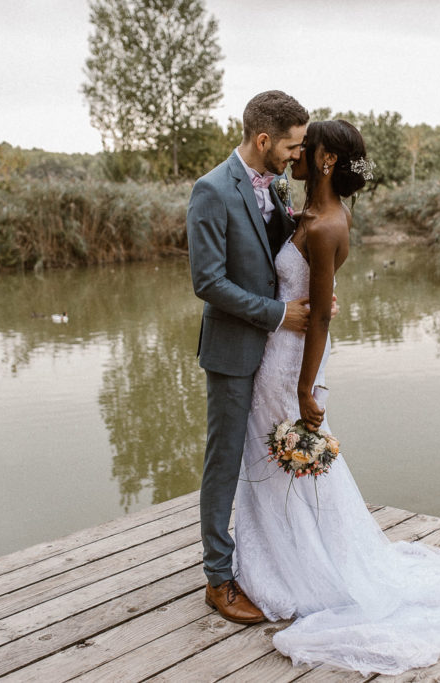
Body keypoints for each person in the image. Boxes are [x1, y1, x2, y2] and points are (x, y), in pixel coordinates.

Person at [232, 120, 440, 675]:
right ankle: (278, 555)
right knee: (270, 459)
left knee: (292, 460)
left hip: (292, 365)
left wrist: (306, 389)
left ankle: (304, 568)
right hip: (273, 354)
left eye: (305, 147)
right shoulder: (304, 214)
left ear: (328, 158)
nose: (296, 154)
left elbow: (317, 324)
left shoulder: (329, 223)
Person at [186, 90, 311, 624]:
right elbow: (208, 281)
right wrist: (280, 314)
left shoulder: (273, 184)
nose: (295, 156)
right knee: (224, 461)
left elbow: (274, 248)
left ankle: (272, 559)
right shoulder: (211, 191)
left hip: (274, 357)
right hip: (234, 351)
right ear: (263, 140)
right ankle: (219, 580)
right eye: (291, 146)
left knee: (269, 457)